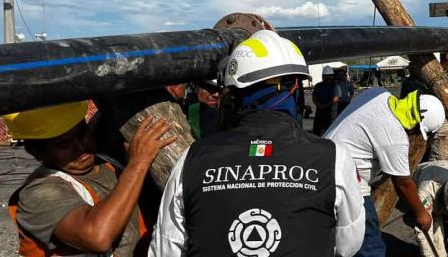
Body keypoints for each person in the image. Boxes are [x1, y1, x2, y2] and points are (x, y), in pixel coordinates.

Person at [150, 30, 365, 257]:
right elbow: (348, 245)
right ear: (293, 87)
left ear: (233, 93)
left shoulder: (191, 160)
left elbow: (165, 250)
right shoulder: (333, 158)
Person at [4, 101, 176, 256]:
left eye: (82, 133)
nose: (80, 147)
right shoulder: (38, 193)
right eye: (64, 144)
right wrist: (137, 164)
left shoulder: (106, 162)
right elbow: (97, 237)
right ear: (35, 151)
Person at [324, 87, 446, 257]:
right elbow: (403, 183)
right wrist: (421, 214)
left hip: (323, 160)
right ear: (417, 126)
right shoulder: (395, 137)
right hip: (345, 180)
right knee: (369, 244)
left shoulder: (378, 94)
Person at [312, 66, 340, 135]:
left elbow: (336, 98)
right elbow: (314, 97)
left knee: (330, 132)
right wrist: (319, 105)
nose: (328, 77)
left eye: (330, 76)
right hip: (320, 113)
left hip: (331, 113)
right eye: (327, 76)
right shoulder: (318, 86)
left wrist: (324, 106)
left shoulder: (335, 86)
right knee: (319, 131)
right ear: (323, 76)